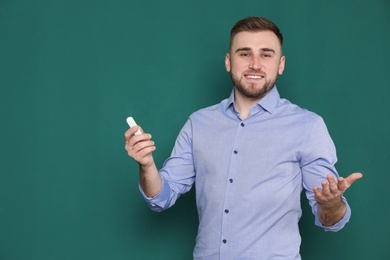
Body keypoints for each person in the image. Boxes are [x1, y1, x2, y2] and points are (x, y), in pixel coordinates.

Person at [124, 16, 362, 260]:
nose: (255, 64)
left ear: (281, 64)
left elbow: (330, 220)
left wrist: (332, 203)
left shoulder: (307, 126)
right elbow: (161, 198)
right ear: (229, 61)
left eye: (266, 55)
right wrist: (147, 166)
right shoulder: (198, 124)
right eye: (245, 54)